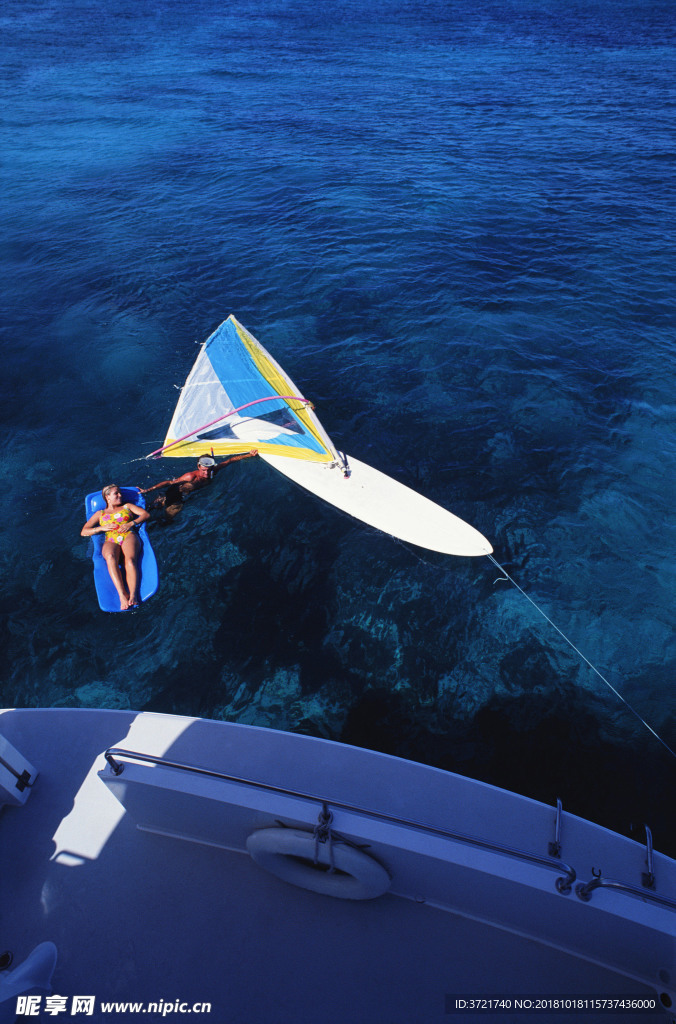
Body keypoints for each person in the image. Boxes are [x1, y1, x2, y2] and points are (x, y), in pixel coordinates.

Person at [81, 485, 150, 610]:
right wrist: (100, 528)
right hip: (111, 539)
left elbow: (145, 514)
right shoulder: (100, 513)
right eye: (116, 494)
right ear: (107, 497)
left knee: (129, 560)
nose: (120, 495)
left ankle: (133, 594)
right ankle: (122, 594)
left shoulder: (127, 506)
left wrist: (131, 523)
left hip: (128, 535)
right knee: (110, 558)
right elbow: (84, 531)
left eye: (120, 493)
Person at [139, 451, 258, 522]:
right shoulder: (190, 477)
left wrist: (249, 454)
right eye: (204, 470)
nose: (206, 473)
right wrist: (149, 489)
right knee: (167, 519)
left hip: (185, 496)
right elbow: (170, 483)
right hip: (175, 495)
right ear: (198, 466)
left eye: (209, 470)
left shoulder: (214, 471)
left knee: (164, 516)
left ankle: (154, 508)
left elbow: (230, 460)